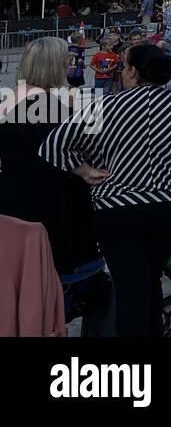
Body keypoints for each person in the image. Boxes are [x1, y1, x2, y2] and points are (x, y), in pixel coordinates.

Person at [40, 42, 171, 337]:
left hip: (117, 208)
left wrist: (84, 170)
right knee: (152, 279)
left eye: (123, 66)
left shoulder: (106, 106)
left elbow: (54, 144)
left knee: (130, 288)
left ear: (133, 72)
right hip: (170, 205)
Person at [0, 38, 99, 278]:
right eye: (67, 61)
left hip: (18, 203)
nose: (72, 65)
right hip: (53, 209)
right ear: (54, 65)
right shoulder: (47, 104)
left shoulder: (13, 99)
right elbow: (76, 151)